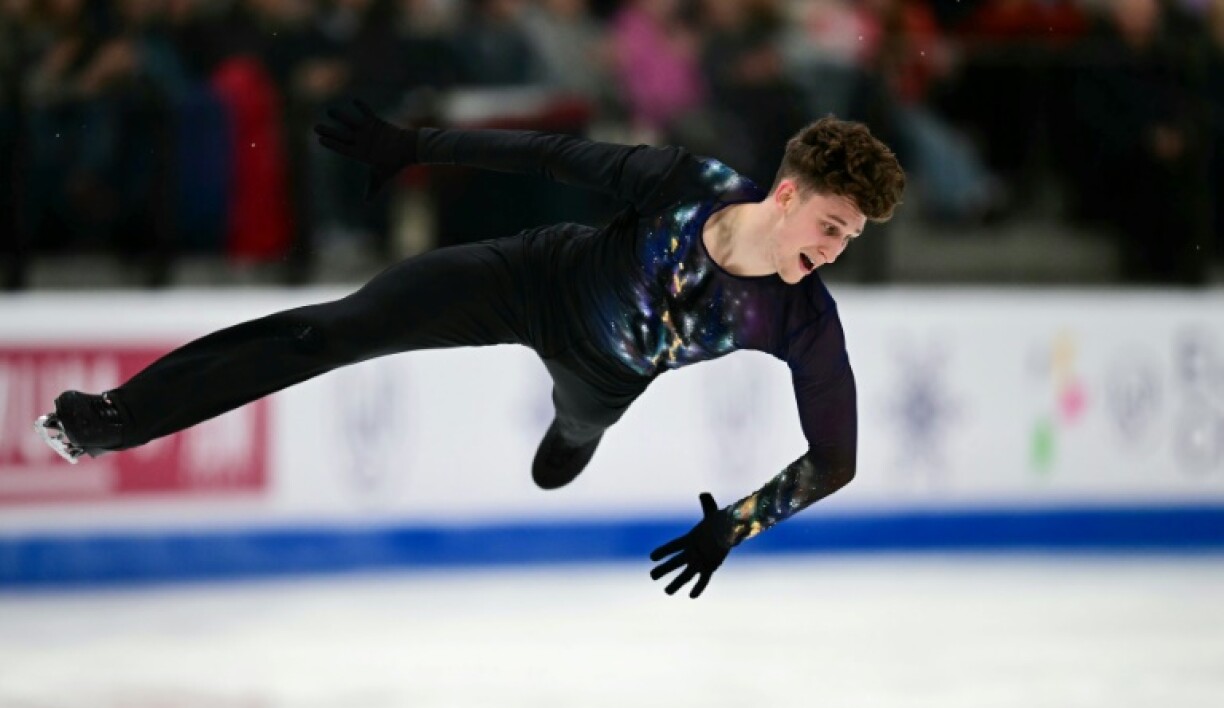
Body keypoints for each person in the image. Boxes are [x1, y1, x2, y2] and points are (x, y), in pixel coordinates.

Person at [34, 101, 905, 598]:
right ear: (786, 195)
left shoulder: (800, 321)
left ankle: (575, 435)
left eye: (848, 240)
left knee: (569, 443)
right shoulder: (688, 183)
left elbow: (837, 459)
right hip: (530, 278)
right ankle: (118, 419)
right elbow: (552, 156)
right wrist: (414, 146)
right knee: (334, 329)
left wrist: (735, 526)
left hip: (608, 372)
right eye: (830, 226)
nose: (832, 251)